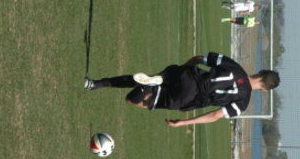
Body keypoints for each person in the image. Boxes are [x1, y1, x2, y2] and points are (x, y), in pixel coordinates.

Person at [84, 52, 280, 127]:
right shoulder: (242, 103)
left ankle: (95, 84)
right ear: (264, 90)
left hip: (188, 75)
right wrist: (184, 122)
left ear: (261, 71)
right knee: (133, 100)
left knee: (149, 80)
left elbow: (199, 58)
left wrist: (182, 70)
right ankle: (147, 85)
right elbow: (214, 116)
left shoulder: (234, 66)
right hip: (188, 98)